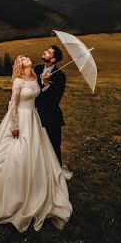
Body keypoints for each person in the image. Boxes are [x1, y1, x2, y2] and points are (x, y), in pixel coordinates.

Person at [0, 54, 72, 232]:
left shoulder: (35, 76)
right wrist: (14, 125)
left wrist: (45, 83)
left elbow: (39, 94)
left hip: (34, 119)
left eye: (26, 57)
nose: (26, 58)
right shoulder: (18, 81)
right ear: (19, 65)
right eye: (22, 58)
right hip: (20, 117)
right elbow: (13, 104)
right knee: (15, 153)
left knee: (36, 152)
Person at [35, 45, 71, 176]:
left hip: (52, 117)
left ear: (53, 59)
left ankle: (56, 173)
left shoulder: (60, 76)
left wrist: (46, 85)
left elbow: (55, 100)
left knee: (54, 146)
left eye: (49, 52)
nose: (45, 52)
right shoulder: (38, 68)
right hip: (35, 115)